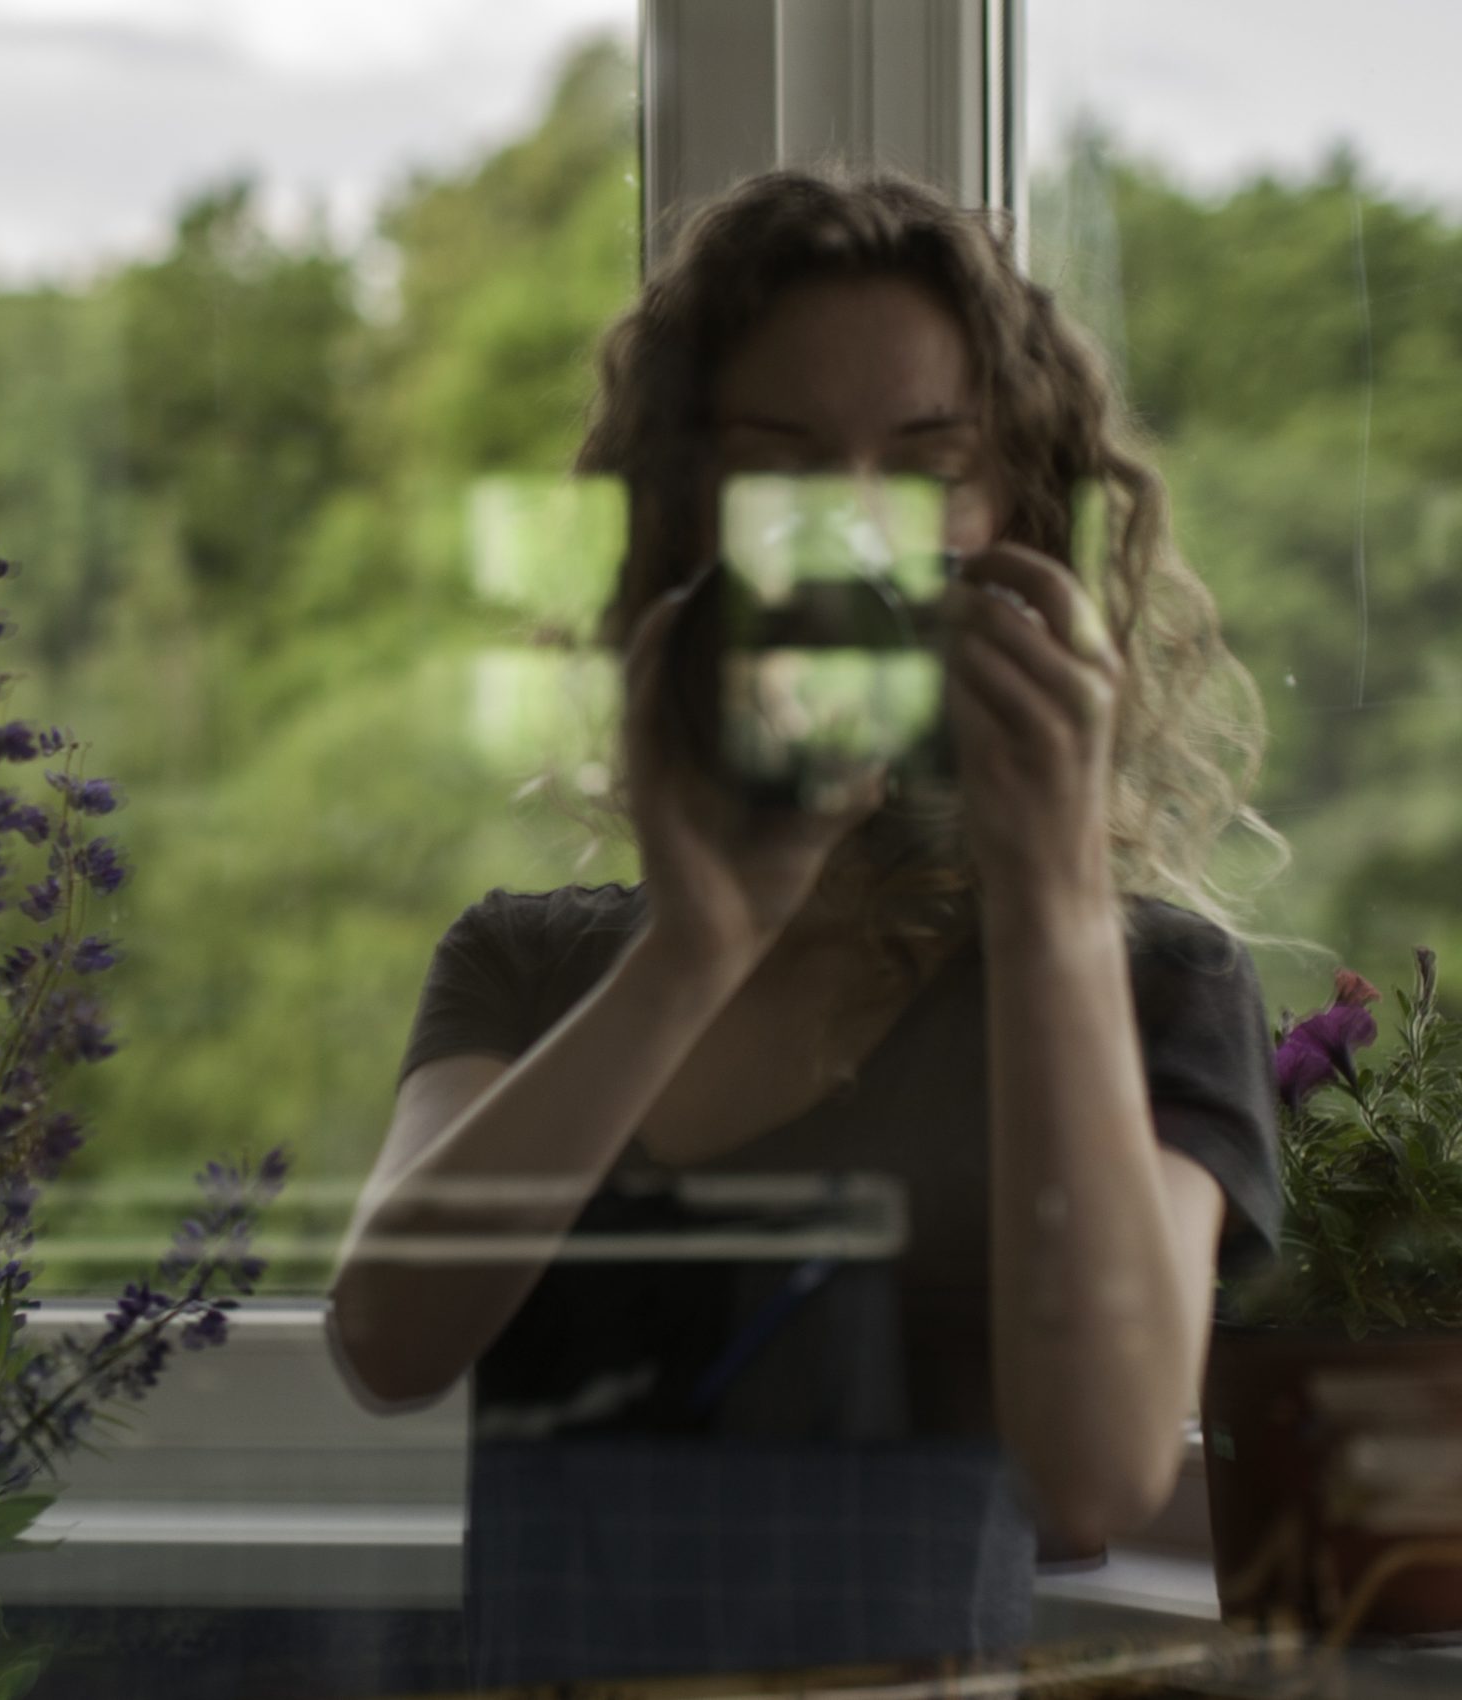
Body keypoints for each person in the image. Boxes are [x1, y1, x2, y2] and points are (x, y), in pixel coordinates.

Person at [325, 169, 1285, 1683]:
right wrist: (698, 945)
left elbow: (1100, 1466)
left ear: (1017, 518)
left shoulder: (1152, 985)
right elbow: (386, 1339)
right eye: (783, 462)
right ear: (681, 520)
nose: (850, 528)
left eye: (924, 464)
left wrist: (1052, 897)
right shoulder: (537, 963)